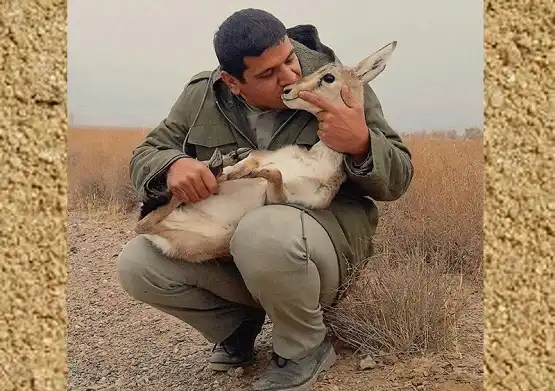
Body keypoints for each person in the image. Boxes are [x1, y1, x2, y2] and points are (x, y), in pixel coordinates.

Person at [116, 8, 413, 391]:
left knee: (263, 229)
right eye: (268, 74)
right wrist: (172, 165)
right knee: (139, 262)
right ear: (232, 81)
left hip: (320, 246)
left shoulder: (334, 81)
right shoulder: (203, 94)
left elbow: (399, 177)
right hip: (237, 246)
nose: (289, 77)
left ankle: (304, 348)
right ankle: (236, 326)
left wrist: (360, 144)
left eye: (289, 59)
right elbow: (150, 150)